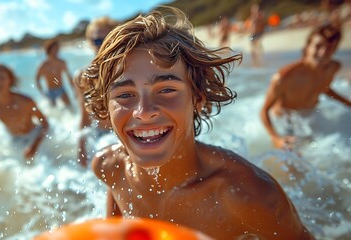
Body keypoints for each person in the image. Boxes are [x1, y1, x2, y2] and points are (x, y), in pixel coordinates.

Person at [80, 7, 314, 240]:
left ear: (198, 99)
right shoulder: (109, 167)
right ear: (106, 107)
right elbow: (115, 230)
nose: (144, 112)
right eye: (124, 95)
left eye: (167, 90)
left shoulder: (246, 195)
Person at [260, 23, 351, 151]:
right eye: (318, 46)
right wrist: (275, 138)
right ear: (307, 46)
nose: (323, 52)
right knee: (292, 157)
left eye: (330, 47)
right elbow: (264, 110)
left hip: (311, 115)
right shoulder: (284, 77)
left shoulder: (333, 67)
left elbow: (324, 88)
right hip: (286, 119)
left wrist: (348, 103)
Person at [0, 63, 49, 161]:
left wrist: (34, 146)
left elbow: (45, 124)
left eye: (2, 77)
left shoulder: (26, 101)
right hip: (14, 139)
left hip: (34, 135)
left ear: (10, 79)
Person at [73, 16, 119, 167]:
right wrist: (81, 147)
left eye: (107, 38)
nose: (102, 44)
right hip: (99, 135)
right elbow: (84, 114)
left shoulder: (128, 70)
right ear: (90, 43)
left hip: (125, 132)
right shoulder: (82, 76)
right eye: (97, 41)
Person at [36, 38, 74, 109]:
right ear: (49, 50)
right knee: (54, 112)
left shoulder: (62, 62)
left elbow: (69, 77)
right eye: (54, 49)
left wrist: (74, 90)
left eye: (57, 49)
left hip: (61, 89)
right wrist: (42, 92)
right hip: (50, 91)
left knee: (71, 108)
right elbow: (37, 79)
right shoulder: (44, 65)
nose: (56, 51)